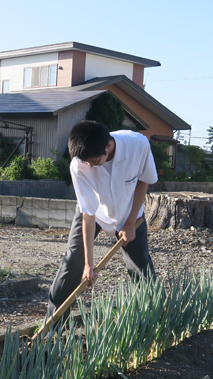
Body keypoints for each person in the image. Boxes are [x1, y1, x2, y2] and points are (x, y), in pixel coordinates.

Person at [47, 120, 158, 319]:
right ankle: (52, 324)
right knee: (73, 260)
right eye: (86, 163)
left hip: (129, 212)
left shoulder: (138, 145)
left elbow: (144, 180)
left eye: (94, 161)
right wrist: (89, 264)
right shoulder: (78, 164)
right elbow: (88, 213)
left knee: (140, 265)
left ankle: (153, 322)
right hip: (95, 213)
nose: (90, 165)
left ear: (108, 146)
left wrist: (131, 222)